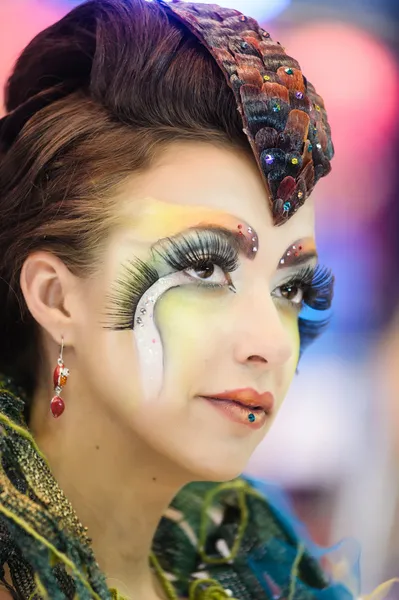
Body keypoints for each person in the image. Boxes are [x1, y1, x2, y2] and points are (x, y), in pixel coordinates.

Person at [0, 0, 379, 598]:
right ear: (56, 298)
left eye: (292, 288)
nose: (270, 346)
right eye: (204, 268)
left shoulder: (259, 564)